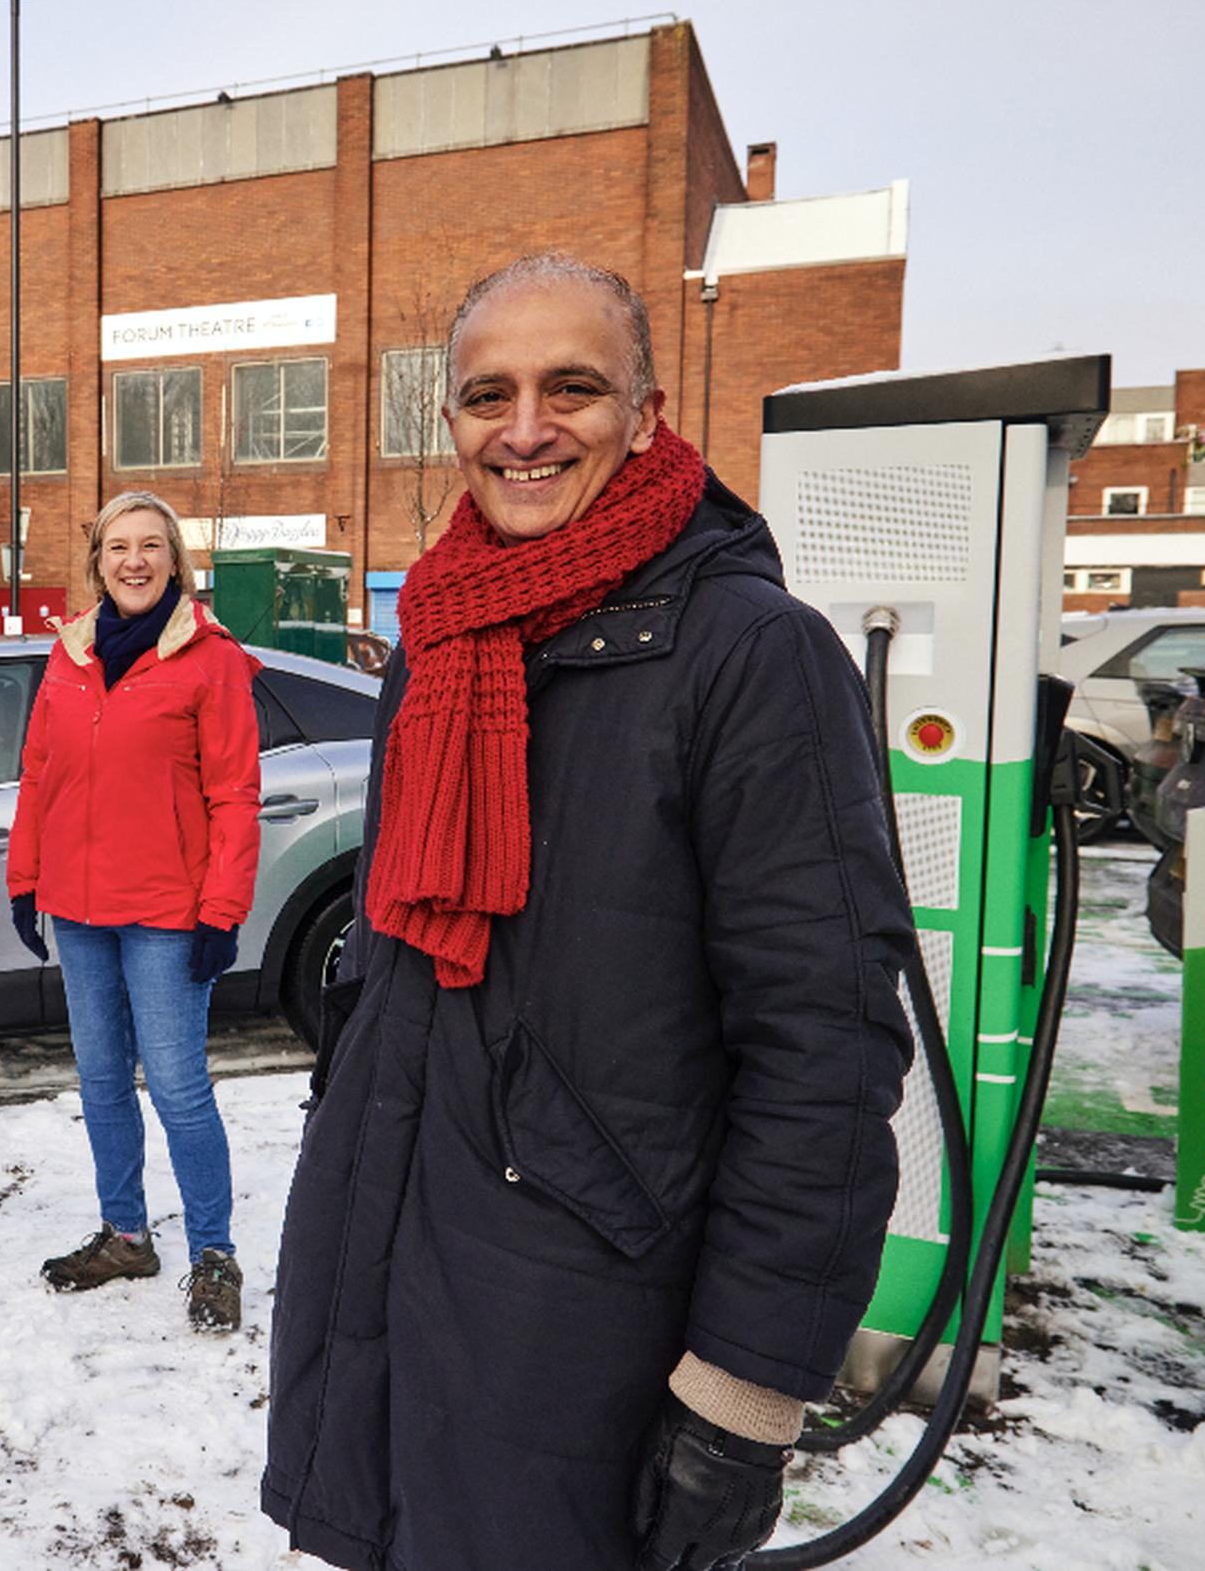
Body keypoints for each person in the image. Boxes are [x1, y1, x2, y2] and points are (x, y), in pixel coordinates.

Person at [260, 254, 916, 1571]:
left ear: (649, 413)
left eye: (573, 388)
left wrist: (740, 1399)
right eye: (486, 394)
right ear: (448, 422)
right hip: (400, 1249)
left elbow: (826, 1051)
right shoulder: (442, 642)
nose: (525, 428)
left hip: (593, 1317)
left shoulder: (751, 655)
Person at [5, 490, 260, 1333]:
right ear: (98, 562)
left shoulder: (209, 658)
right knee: (103, 1081)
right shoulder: (68, 654)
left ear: (175, 561)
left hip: (165, 914)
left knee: (180, 1089)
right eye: (119, 547)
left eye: (152, 546)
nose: (134, 561)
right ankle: (125, 1234)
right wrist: (23, 879)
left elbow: (234, 794)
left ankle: (214, 1255)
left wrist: (222, 911)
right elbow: (39, 773)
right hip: (79, 911)